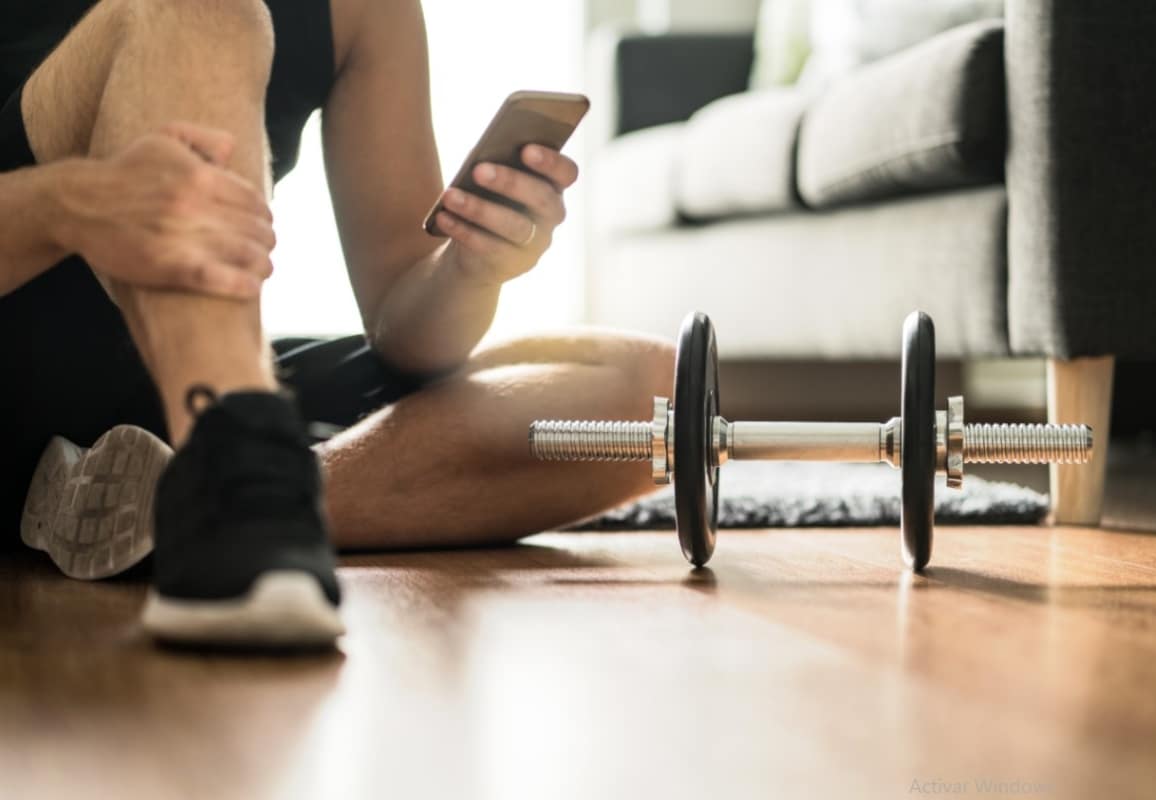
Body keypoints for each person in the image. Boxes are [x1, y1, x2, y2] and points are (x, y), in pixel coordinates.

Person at [0, 0, 674, 648]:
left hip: (159, 405)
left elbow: (406, 335)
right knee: (199, 9)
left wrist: (471, 269)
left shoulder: (367, 9)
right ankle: (236, 489)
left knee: (654, 397)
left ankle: (202, 499)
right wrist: (68, 202)